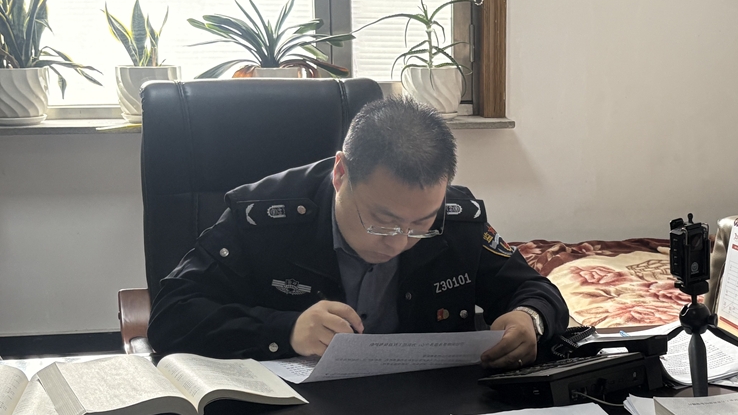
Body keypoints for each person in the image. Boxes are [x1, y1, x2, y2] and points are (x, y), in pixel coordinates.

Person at [148, 96, 568, 371]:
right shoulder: (264, 217)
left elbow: (534, 289)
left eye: (421, 224)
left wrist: (529, 320)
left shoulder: (457, 219)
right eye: (382, 221)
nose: (399, 241)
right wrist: (286, 330)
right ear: (340, 174)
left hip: (429, 414)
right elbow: (172, 316)